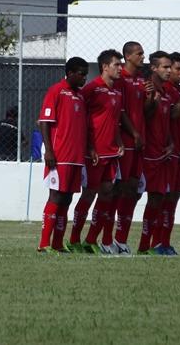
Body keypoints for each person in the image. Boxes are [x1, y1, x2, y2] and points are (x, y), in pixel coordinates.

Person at [68, 49, 124, 254]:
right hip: (95, 153)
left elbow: (115, 120)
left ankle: (91, 239)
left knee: (108, 193)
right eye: (117, 64)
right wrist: (89, 146)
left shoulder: (117, 91)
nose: (120, 68)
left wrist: (119, 142)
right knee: (89, 193)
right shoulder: (92, 89)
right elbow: (81, 119)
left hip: (111, 152)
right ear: (105, 67)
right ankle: (74, 239)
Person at [37, 57, 89, 253]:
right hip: (60, 156)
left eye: (85, 73)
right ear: (71, 73)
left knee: (67, 200)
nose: (84, 77)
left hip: (76, 158)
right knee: (56, 197)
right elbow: (43, 121)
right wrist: (49, 150)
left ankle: (58, 244)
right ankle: (43, 244)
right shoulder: (56, 90)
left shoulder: (81, 96)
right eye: (81, 73)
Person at [110, 41, 155, 254]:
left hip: (139, 144)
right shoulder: (121, 80)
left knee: (134, 191)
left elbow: (144, 112)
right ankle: (108, 238)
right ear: (128, 56)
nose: (143, 57)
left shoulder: (140, 80)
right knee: (120, 189)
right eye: (139, 53)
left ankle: (121, 239)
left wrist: (150, 98)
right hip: (127, 144)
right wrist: (134, 133)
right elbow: (120, 111)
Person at [155, 52, 180, 255]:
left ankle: (165, 242)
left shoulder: (177, 91)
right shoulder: (169, 91)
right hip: (167, 152)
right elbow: (174, 114)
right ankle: (157, 241)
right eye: (176, 69)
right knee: (164, 196)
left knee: (174, 197)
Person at [137, 51, 174, 255]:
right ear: (153, 68)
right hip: (145, 154)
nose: (169, 71)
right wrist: (151, 99)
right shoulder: (146, 88)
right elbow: (142, 114)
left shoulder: (166, 92)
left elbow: (165, 122)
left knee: (158, 199)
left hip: (161, 154)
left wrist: (169, 142)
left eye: (170, 67)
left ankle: (146, 245)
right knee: (130, 197)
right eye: (165, 67)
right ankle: (116, 240)